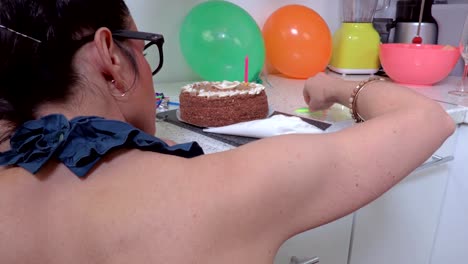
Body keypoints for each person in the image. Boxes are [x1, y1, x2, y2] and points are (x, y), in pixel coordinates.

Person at [0, 0, 455, 263]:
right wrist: (335, 84)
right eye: (144, 47)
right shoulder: (229, 189)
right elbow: (427, 120)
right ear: (111, 58)